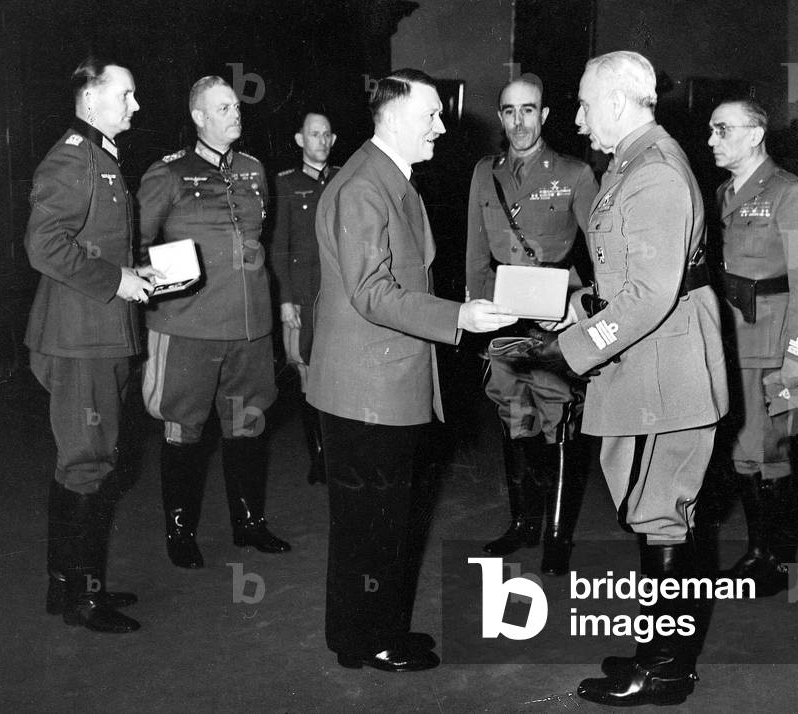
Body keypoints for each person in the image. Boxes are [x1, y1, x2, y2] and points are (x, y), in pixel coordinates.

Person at [509, 51, 728, 706]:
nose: (575, 118)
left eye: (580, 102)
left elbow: (649, 297)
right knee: (650, 515)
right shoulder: (633, 160)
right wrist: (583, 304)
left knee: (662, 518)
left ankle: (665, 671)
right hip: (647, 365)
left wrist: (567, 351)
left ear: (615, 99)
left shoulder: (654, 170)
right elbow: (627, 279)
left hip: (666, 372)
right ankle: (656, 651)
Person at [308, 68, 516, 672]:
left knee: (379, 520)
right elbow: (373, 294)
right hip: (366, 390)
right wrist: (461, 317)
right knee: (371, 524)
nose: (441, 126)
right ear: (395, 116)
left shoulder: (389, 178)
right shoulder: (366, 188)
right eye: (430, 115)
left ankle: (365, 632)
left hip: (384, 380)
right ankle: (369, 638)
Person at [25, 57, 159, 633]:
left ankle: (68, 586)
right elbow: (43, 245)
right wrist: (117, 281)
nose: (135, 106)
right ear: (90, 101)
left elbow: (94, 244)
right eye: (125, 95)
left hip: (99, 334)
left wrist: (139, 273)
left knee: (89, 459)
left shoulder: (100, 157)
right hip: (81, 339)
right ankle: (81, 598)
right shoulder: (73, 159)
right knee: (87, 463)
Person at [138, 76, 289, 570]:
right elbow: (133, 247)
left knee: (247, 425)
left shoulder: (251, 169)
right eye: (222, 107)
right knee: (184, 431)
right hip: (188, 327)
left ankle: (249, 523)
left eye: (236, 105)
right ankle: (180, 531)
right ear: (199, 117)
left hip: (249, 327)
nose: (235, 113)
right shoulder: (169, 173)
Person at [465, 73, 597, 575]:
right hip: (502, 313)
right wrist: (477, 313)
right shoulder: (485, 172)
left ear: (544, 116)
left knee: (558, 420)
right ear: (500, 117)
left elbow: (600, 250)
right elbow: (477, 251)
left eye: (528, 110)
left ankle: (558, 538)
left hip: (555, 316)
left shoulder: (575, 173)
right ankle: (523, 524)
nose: (519, 120)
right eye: (509, 110)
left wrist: (583, 305)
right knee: (513, 416)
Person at [708, 99, 798, 595]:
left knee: (775, 449)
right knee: (742, 448)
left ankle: (775, 561)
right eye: (711, 130)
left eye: (722, 129)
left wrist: (797, 355)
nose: (712, 139)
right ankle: (760, 550)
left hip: (779, 344)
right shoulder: (724, 192)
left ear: (755, 134)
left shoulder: (790, 193)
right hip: (735, 340)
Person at [270, 111, 339, 484]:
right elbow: (278, 247)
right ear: (300, 140)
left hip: (336, 296)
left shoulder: (345, 179)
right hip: (301, 297)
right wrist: (284, 299)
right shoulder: (285, 183)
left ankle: (337, 451)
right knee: (306, 374)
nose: (322, 141)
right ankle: (318, 455)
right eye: (314, 134)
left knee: (338, 375)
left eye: (327, 135)